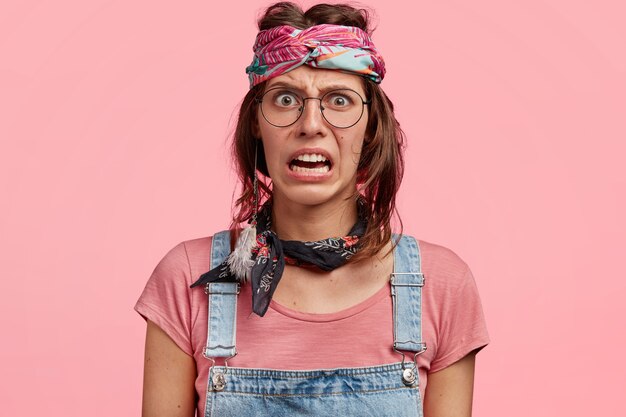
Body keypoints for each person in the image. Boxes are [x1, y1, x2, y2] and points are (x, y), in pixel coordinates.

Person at [135, 2, 490, 416]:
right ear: (256, 122)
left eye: (339, 100)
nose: (311, 124)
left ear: (372, 125)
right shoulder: (186, 279)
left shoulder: (440, 287)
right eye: (286, 98)